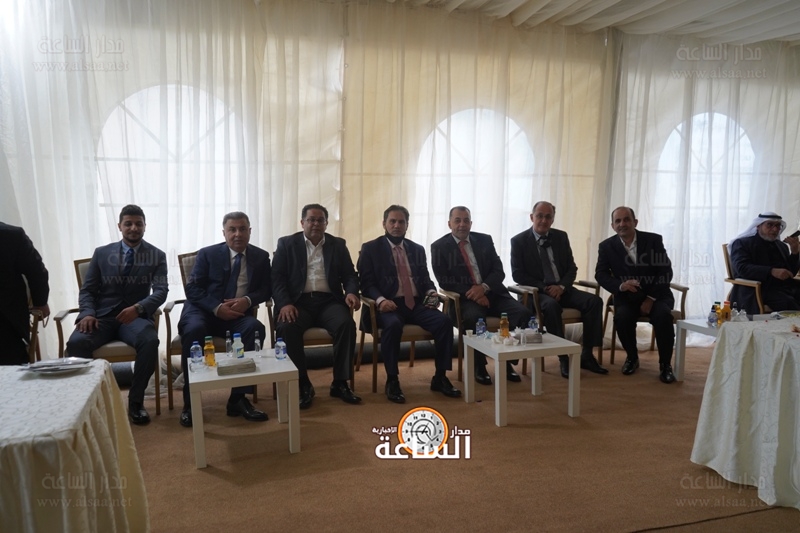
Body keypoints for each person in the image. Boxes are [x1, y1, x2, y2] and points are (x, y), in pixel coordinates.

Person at [66, 205, 168, 424]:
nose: (133, 228)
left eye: (138, 224)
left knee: (150, 341)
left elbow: (161, 291)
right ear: (119, 226)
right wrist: (87, 313)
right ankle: (87, 404)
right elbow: (88, 290)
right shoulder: (102, 253)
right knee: (76, 343)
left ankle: (136, 402)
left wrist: (138, 308)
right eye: (128, 223)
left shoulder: (157, 255)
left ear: (145, 226)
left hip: (134, 318)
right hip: (101, 317)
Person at [177, 212, 271, 427]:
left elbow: (266, 289)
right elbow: (193, 288)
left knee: (255, 328)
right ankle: (190, 403)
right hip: (203, 311)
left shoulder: (260, 256)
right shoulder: (207, 254)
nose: (238, 234)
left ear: (250, 231)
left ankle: (238, 398)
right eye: (232, 229)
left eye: (242, 229)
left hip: (236, 315)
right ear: (224, 232)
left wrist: (247, 300)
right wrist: (217, 308)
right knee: (194, 330)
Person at [358, 205, 461, 403]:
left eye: (401, 222)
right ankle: (392, 379)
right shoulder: (371, 249)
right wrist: (380, 301)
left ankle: (440, 377)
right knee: (393, 325)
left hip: (416, 303)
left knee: (444, 322)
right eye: (392, 221)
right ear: (384, 224)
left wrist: (431, 293)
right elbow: (366, 284)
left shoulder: (416, 249)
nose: (397, 226)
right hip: (388, 304)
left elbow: (425, 279)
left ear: (407, 225)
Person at [272, 204, 361, 409]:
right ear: (302, 222)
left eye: (320, 220)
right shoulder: (287, 244)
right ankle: (302, 383)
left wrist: (351, 292)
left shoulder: (337, 244)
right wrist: (285, 303)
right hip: (298, 303)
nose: (315, 224)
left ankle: (340, 382)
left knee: (346, 324)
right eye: (311, 220)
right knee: (286, 327)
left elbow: (350, 275)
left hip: (329, 301)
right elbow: (277, 279)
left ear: (326, 223)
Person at [431, 206, 527, 385]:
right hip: (465, 299)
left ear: (471, 223)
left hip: (493, 292)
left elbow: (498, 271)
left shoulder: (484, 240)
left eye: (466, 220)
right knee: (474, 319)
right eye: (457, 220)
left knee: (523, 313)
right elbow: (444, 281)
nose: (462, 224)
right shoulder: (439, 247)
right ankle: (479, 365)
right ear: (449, 224)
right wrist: (474, 293)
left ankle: (507, 360)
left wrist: (483, 288)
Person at [510, 201, 607, 378]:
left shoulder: (561, 237)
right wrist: (546, 288)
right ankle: (563, 357)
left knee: (594, 301)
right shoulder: (519, 241)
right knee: (552, 306)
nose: (543, 220)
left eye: (548, 217)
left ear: (553, 219)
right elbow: (518, 275)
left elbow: (571, 268)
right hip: (536, 293)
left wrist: (561, 286)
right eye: (539, 216)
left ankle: (587, 354)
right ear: (532, 217)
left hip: (562, 289)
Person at [595, 206, 676, 384]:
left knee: (663, 316)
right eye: (618, 221)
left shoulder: (653, 240)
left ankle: (665, 365)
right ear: (612, 226)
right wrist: (620, 285)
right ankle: (632, 357)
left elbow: (665, 272)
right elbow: (600, 274)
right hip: (627, 297)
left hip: (657, 294)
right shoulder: (606, 246)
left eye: (626, 219)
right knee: (622, 318)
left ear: (635, 222)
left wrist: (650, 298)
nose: (622, 224)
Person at [729, 212, 800, 315]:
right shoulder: (742, 243)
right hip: (757, 288)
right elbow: (742, 268)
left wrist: (795, 252)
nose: (775, 229)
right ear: (758, 226)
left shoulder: (782, 246)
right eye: (769, 225)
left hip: (783, 287)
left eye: (778, 226)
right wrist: (771, 271)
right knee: (789, 303)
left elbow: (790, 273)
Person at [0, 222, 50, 366]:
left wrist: (40, 302)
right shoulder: (11, 234)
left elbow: (36, 271)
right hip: (8, 319)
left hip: (8, 319)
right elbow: (36, 271)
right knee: (13, 368)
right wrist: (40, 303)